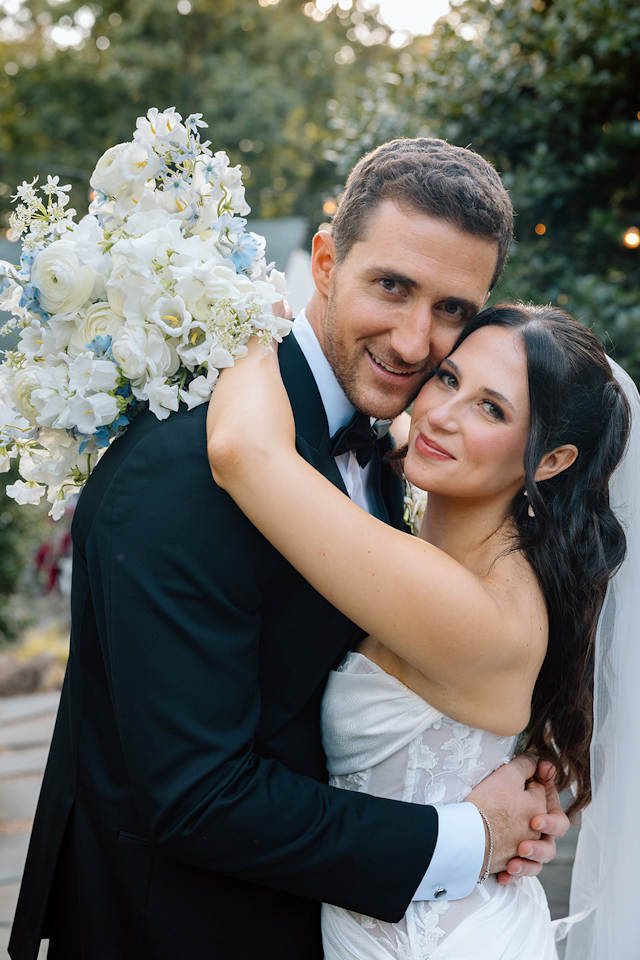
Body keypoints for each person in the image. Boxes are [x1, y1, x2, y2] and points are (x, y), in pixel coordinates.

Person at [9, 139, 569, 960]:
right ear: (326, 261)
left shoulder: (394, 451)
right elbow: (198, 798)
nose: (415, 342)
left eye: (452, 308)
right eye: (391, 286)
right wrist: (469, 837)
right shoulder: (184, 472)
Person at [206, 302, 630, 958]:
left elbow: (241, 451)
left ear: (551, 461)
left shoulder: (483, 612)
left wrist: (239, 309)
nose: (441, 415)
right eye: (448, 378)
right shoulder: (449, 525)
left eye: (492, 409)